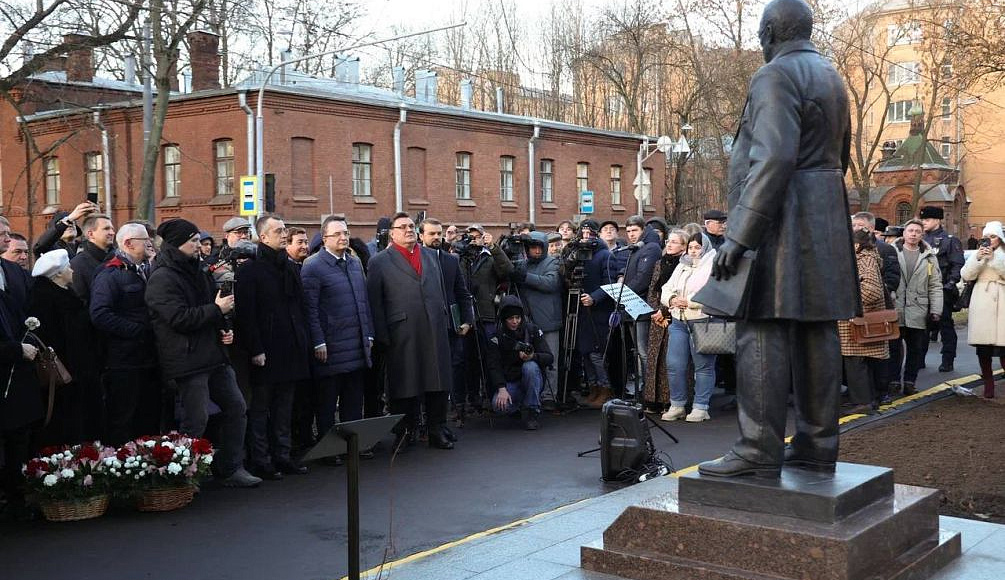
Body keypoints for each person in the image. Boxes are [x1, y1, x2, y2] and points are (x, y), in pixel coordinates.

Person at [700, 0, 859, 477]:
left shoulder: (774, 75)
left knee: (761, 329)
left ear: (770, 31)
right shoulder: (831, 76)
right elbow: (842, 153)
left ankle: (757, 447)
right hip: (824, 214)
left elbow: (771, 158)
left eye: (759, 32)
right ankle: (816, 442)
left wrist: (740, 234)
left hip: (782, 220)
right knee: (817, 331)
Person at [145, 218, 261, 488]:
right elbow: (178, 318)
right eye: (194, 240)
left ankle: (230, 467)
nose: (200, 245)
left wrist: (224, 326)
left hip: (214, 354)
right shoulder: (162, 277)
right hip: (187, 360)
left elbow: (212, 304)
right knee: (195, 420)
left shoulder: (197, 270)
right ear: (177, 244)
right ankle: (184, 475)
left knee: (236, 408)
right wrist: (216, 311)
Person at [366, 212, 455, 450]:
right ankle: (406, 432)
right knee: (406, 383)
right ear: (392, 233)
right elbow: (375, 302)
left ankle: (437, 429)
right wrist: (382, 336)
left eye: (411, 226)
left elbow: (441, 291)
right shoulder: (379, 261)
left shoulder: (430, 256)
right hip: (402, 332)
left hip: (434, 327)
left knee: (437, 381)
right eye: (402, 227)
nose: (408, 230)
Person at [235, 213, 312, 479]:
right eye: (278, 231)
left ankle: (283, 455)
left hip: (290, 347)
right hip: (265, 351)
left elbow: (299, 307)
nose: (283, 234)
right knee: (261, 408)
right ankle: (261, 459)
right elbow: (247, 315)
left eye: (284, 230)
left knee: (285, 407)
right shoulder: (249, 271)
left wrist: (303, 341)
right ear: (263, 236)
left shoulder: (289, 267)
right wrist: (255, 349)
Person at [302, 216, 374, 443]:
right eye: (337, 234)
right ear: (324, 239)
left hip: (356, 345)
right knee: (327, 404)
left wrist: (368, 334)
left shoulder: (354, 262)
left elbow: (363, 302)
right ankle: (329, 448)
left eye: (345, 233)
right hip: (330, 348)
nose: (343, 237)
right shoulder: (312, 266)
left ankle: (351, 446)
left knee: (353, 402)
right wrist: (318, 341)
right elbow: (310, 309)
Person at [90, 223, 160, 445]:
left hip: (148, 358)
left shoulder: (145, 269)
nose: (149, 243)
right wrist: (137, 331)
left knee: (148, 417)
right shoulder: (110, 273)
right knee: (122, 418)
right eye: (144, 240)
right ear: (128, 244)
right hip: (123, 361)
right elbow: (100, 314)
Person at [0, 217, 41, 520]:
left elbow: (29, 309)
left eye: (5, 233)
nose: (6, 238)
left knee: (19, 433)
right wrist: (14, 349)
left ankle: (17, 496)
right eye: (1, 234)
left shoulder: (14, 272)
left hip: (19, 372)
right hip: (7, 359)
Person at [418, 218, 474, 423]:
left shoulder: (451, 260)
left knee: (455, 366)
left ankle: (456, 409)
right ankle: (427, 418)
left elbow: (462, 292)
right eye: (431, 234)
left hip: (451, 327)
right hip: (426, 328)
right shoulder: (416, 260)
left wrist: (467, 320)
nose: (436, 238)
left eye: (438, 233)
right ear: (421, 235)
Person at [660, 233, 718, 422]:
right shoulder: (682, 265)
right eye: (691, 247)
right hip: (678, 320)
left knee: (703, 366)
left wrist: (690, 302)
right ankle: (677, 405)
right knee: (674, 364)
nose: (693, 251)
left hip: (702, 320)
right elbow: (667, 287)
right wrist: (671, 299)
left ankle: (701, 407)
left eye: (697, 247)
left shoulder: (713, 264)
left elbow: (714, 291)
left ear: (705, 248)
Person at [460, 224, 513, 415]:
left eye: (477, 236)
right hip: (466, 315)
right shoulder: (462, 256)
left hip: (486, 313)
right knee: (468, 358)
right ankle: (471, 397)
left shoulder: (489, 256)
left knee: (491, 354)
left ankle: (492, 395)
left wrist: (493, 247)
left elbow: (507, 270)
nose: (474, 239)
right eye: (470, 236)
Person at [837, 229, 889, 414]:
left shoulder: (864, 260)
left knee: (856, 363)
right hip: (857, 322)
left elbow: (872, 291)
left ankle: (862, 402)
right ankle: (865, 399)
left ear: (857, 246)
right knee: (859, 362)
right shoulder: (865, 258)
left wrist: (847, 299)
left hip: (858, 321)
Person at [485, 296, 554, 430]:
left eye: (517, 317)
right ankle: (517, 406)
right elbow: (494, 365)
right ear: (504, 319)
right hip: (511, 381)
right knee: (498, 406)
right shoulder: (496, 337)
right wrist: (501, 388)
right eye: (511, 318)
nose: (515, 322)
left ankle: (532, 411)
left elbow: (549, 357)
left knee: (530, 367)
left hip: (533, 378)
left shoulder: (532, 330)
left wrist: (532, 356)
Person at [892, 219, 943, 396]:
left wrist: (936, 310)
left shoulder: (929, 256)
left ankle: (909, 382)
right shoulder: (892, 252)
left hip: (918, 310)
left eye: (917, 231)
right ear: (904, 233)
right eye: (910, 230)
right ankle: (893, 382)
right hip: (896, 309)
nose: (913, 234)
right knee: (894, 349)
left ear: (922, 235)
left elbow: (935, 285)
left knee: (916, 349)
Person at [510, 231, 562, 403]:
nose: (536, 251)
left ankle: (549, 396)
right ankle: (533, 394)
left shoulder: (552, 262)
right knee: (529, 361)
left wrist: (525, 277)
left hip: (548, 320)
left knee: (550, 361)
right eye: (532, 248)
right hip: (528, 320)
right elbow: (508, 267)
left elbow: (550, 283)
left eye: (539, 248)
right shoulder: (523, 264)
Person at [570, 219, 617, 408]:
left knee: (597, 354)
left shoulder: (605, 255)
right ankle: (593, 388)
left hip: (599, 312)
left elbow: (611, 283)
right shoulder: (578, 254)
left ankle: (605, 389)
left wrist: (595, 297)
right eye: (584, 233)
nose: (586, 237)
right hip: (581, 310)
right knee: (585, 352)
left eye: (590, 233)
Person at [643, 229, 687, 412]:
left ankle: (671, 401)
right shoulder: (660, 264)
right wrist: (655, 311)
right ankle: (653, 399)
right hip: (657, 317)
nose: (669, 244)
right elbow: (653, 289)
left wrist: (665, 311)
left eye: (675, 242)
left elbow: (681, 293)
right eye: (668, 241)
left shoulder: (685, 266)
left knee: (671, 360)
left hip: (675, 315)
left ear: (684, 246)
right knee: (655, 358)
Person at [960, 221, 1005, 398]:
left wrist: (994, 259)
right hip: (982, 301)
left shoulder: (1002, 254)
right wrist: (978, 259)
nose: (989, 240)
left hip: (1002, 299)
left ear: (1000, 239)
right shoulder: (976, 254)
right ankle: (988, 385)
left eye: (993, 237)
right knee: (983, 349)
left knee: (1003, 347)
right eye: (986, 237)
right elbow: (966, 275)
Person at [919, 206, 965, 372]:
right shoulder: (921, 240)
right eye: (923, 220)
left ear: (937, 220)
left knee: (945, 325)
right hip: (922, 289)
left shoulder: (949, 240)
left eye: (927, 220)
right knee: (922, 326)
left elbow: (957, 264)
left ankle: (948, 359)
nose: (924, 223)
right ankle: (919, 359)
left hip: (942, 288)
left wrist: (950, 284)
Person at [620, 216, 662, 388]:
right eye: (628, 231)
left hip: (642, 305)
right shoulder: (636, 248)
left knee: (643, 351)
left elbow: (643, 278)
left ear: (643, 229)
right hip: (631, 305)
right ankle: (642, 385)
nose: (631, 234)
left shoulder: (650, 248)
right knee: (637, 350)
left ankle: (648, 386)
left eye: (634, 230)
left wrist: (623, 292)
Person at [70, 213, 115, 304]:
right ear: (91, 234)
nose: (112, 233)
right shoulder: (77, 265)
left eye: (112, 229)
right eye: (106, 228)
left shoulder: (120, 258)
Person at [32, 201, 96, 258]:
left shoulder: (86, 247)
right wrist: (68, 219)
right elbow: (39, 247)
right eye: (65, 223)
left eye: (73, 222)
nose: (70, 224)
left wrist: (97, 216)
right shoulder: (50, 250)